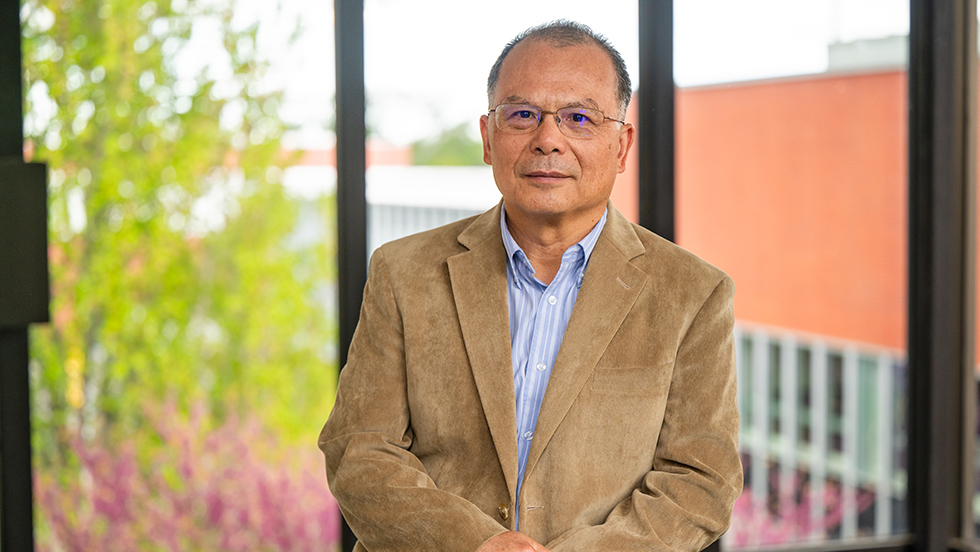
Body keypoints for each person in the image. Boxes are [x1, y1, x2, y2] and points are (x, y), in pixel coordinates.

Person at [319, 20, 742, 552]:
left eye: (579, 118)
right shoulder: (402, 272)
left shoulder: (693, 294)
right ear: (488, 137)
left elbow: (700, 480)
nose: (548, 140)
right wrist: (474, 545)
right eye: (521, 115)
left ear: (621, 144)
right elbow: (358, 449)